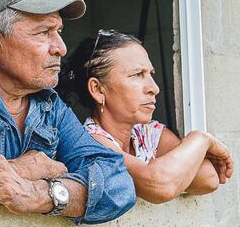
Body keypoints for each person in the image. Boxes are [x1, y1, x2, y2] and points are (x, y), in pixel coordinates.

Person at [0, 0, 136, 224]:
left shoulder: (50, 106)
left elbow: (119, 185)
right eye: (43, 32)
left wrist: (40, 192)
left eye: (58, 31)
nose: (61, 48)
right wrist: (37, 167)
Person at [60, 29, 234, 203]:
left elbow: (209, 177)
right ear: (98, 90)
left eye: (150, 74)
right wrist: (201, 139)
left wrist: (169, 175)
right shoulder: (93, 142)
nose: (154, 88)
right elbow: (160, 186)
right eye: (137, 75)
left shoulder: (148, 133)